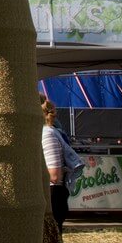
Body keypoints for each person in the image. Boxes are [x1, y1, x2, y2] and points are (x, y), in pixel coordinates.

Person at [40, 95, 81, 233]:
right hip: (50, 195)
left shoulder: (47, 134)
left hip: (52, 196)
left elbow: (54, 176)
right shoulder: (48, 132)